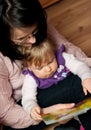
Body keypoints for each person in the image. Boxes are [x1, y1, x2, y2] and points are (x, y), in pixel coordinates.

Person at [0, 0, 91, 130]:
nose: (33, 40)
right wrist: (45, 112)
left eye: (35, 32)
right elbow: (6, 112)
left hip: (53, 86)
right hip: (24, 110)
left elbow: (69, 51)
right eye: (22, 39)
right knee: (77, 85)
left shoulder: (35, 21)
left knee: (84, 80)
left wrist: (88, 74)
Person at [20, 38, 91, 130]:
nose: (48, 69)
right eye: (40, 68)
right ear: (29, 67)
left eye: (50, 61)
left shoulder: (63, 57)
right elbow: (28, 98)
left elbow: (80, 66)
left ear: (54, 53)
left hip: (75, 95)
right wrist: (31, 107)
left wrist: (86, 78)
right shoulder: (30, 78)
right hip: (57, 105)